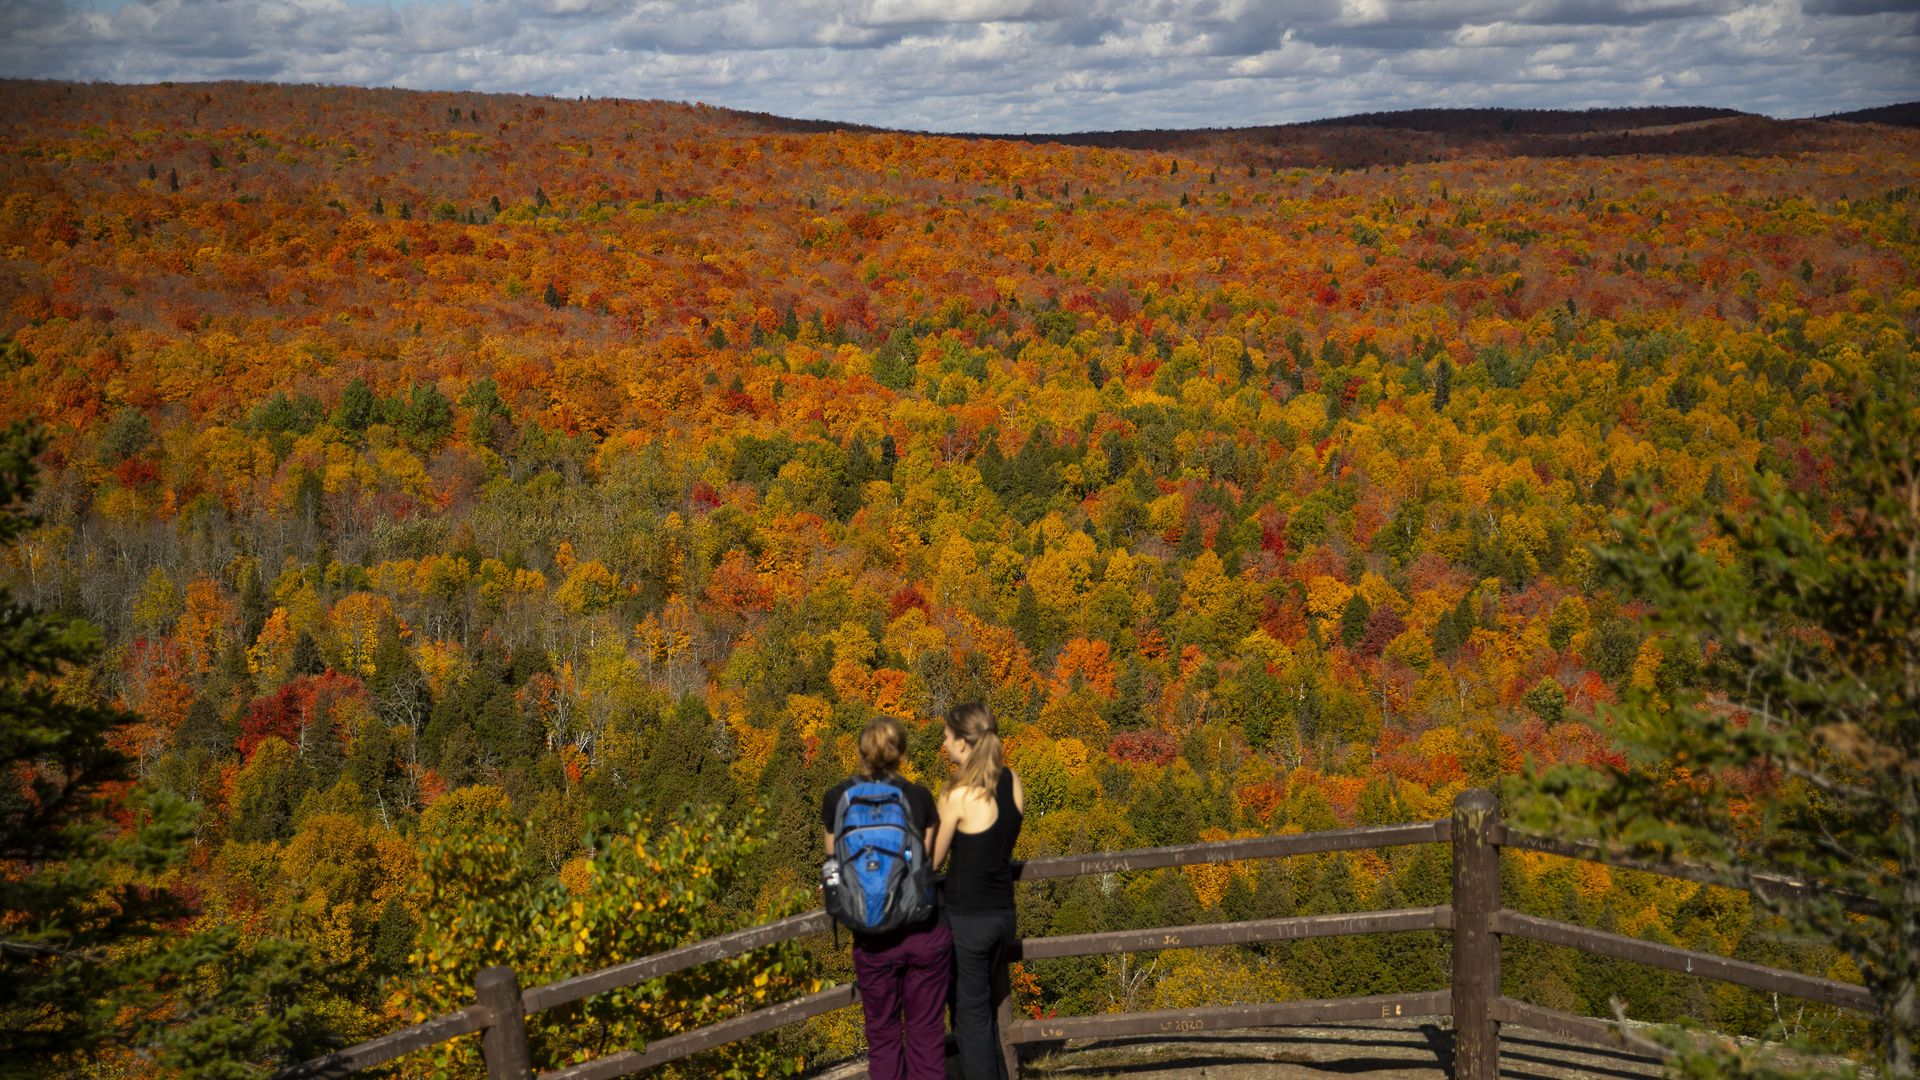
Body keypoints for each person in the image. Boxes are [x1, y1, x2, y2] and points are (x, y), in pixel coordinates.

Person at [821, 716, 951, 1080]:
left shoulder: (837, 800)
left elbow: (835, 864)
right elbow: (926, 863)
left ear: (861, 752)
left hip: (872, 936)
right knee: (926, 1036)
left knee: (882, 1039)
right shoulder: (918, 796)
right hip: (923, 931)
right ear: (902, 754)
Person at [932, 703, 1025, 1080]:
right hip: (1002, 914)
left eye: (948, 736)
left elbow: (931, 861)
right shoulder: (1012, 781)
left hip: (966, 921)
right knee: (984, 1012)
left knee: (970, 1021)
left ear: (964, 744)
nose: (943, 741)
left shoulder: (957, 793)